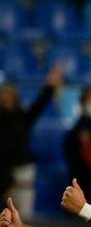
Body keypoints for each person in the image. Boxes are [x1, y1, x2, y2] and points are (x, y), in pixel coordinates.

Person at [0, 67, 59, 212]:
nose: (6, 98)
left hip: (22, 169)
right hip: (1, 170)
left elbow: (39, 105)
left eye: (10, 95)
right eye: (3, 95)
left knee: (23, 216)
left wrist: (50, 86)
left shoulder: (23, 117)